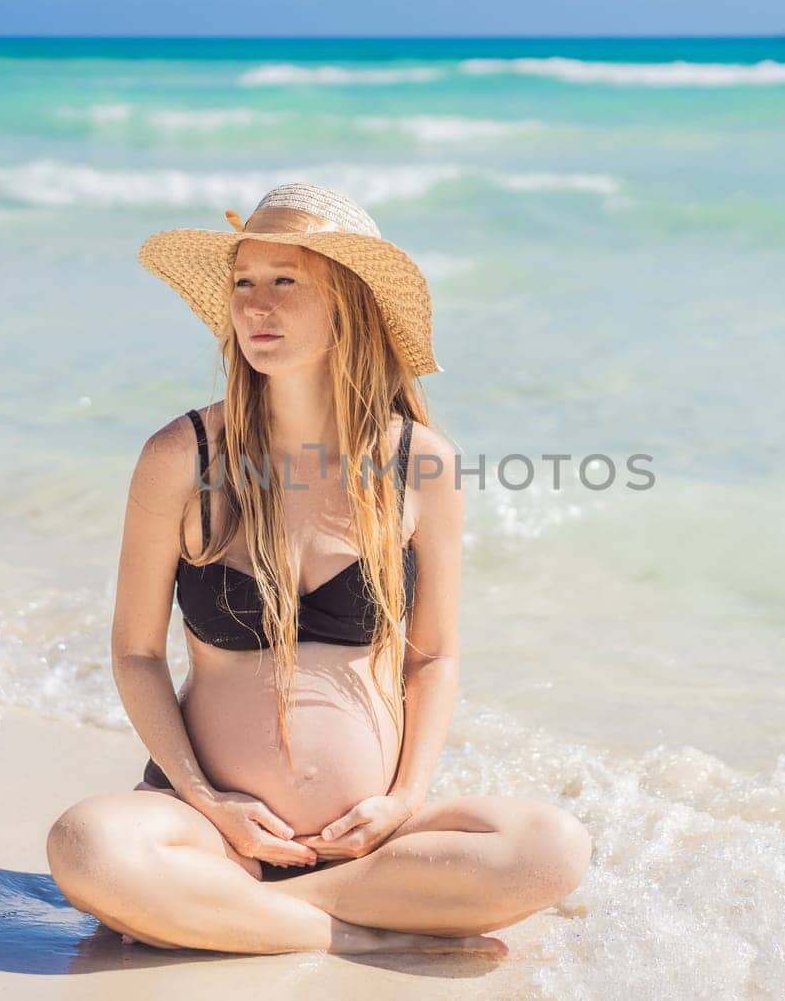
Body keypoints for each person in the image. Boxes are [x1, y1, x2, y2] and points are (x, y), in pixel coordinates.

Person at [45, 183, 592, 958]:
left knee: (550, 846)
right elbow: (136, 652)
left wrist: (402, 803)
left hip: (364, 845)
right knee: (87, 845)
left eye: (285, 282)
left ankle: (242, 916)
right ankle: (353, 935)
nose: (255, 305)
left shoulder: (419, 466)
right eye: (243, 282)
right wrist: (206, 798)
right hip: (209, 827)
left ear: (349, 305)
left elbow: (433, 656)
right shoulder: (184, 456)